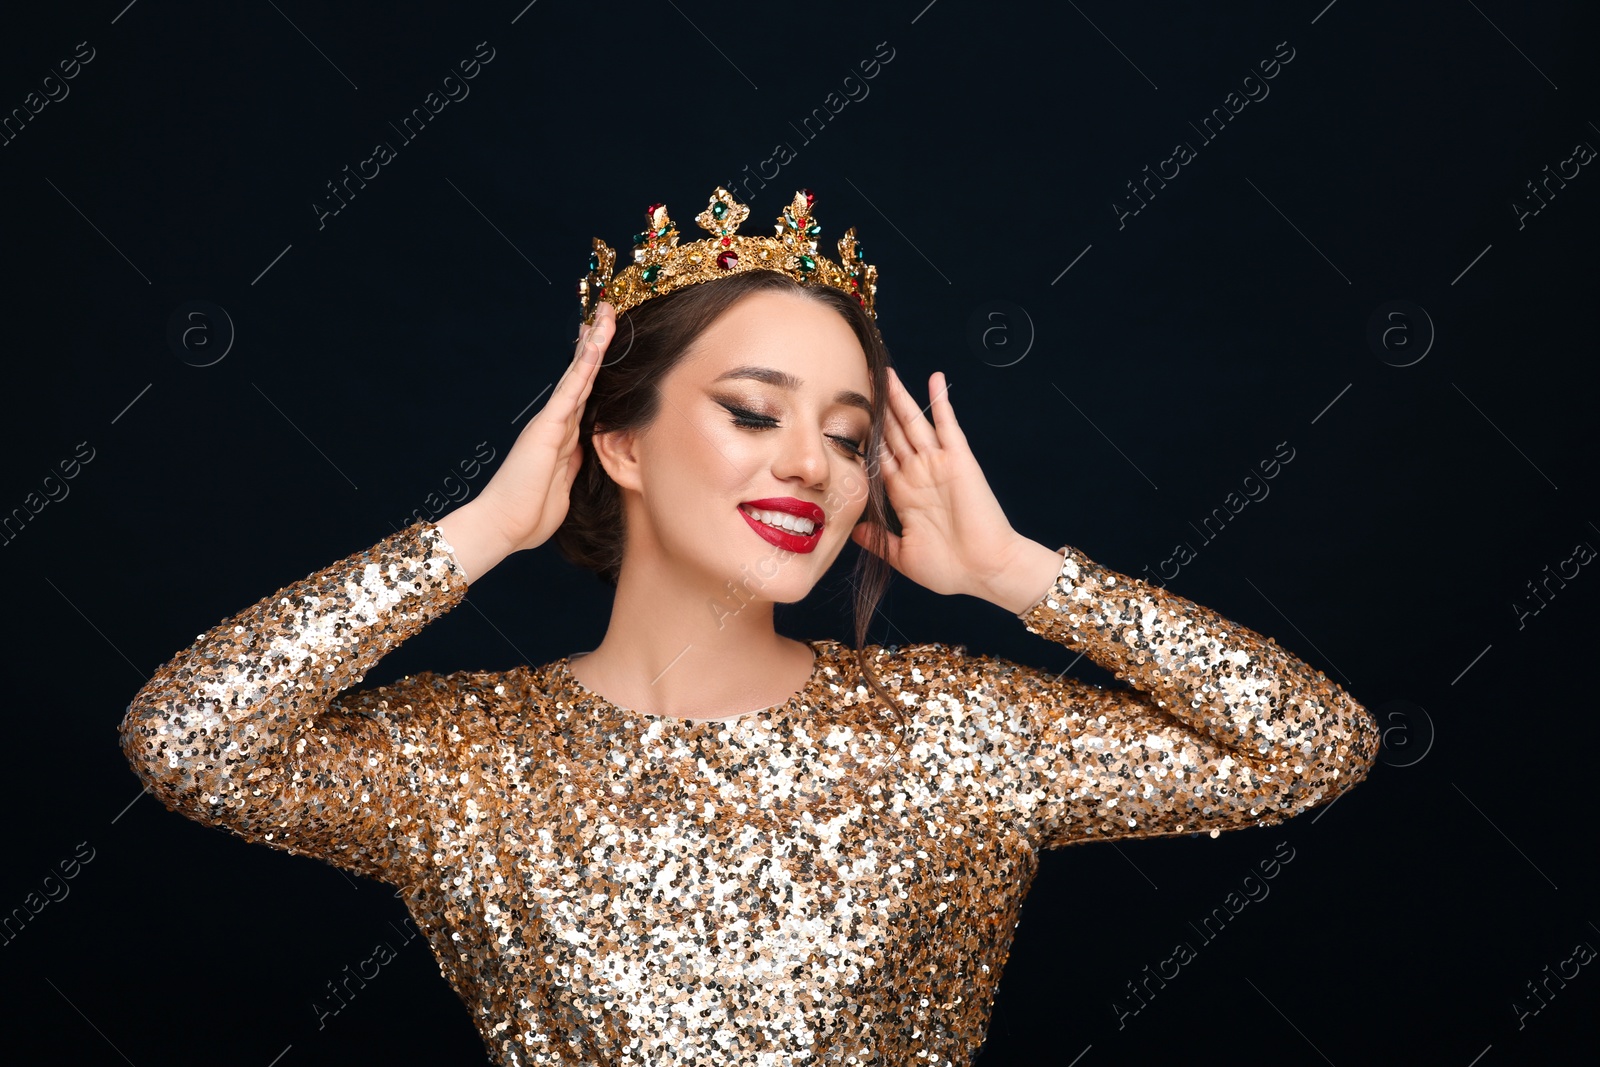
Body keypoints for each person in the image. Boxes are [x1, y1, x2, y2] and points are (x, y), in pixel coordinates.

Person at [119, 186, 1380, 1065]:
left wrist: (1015, 572)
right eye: (752, 411)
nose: (812, 468)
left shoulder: (949, 730)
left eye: (844, 434)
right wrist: (480, 530)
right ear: (613, 437)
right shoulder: (467, 762)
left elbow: (1310, 745)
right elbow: (186, 740)